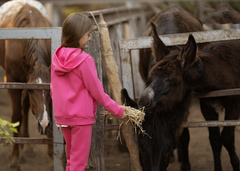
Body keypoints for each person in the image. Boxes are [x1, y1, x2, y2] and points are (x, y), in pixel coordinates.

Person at [50, 13, 127, 171]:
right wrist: (118, 111)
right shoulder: (84, 60)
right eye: (88, 35)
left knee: (71, 161)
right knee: (78, 164)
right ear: (78, 35)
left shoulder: (56, 58)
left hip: (63, 117)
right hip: (80, 119)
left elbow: (53, 88)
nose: (90, 38)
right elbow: (98, 93)